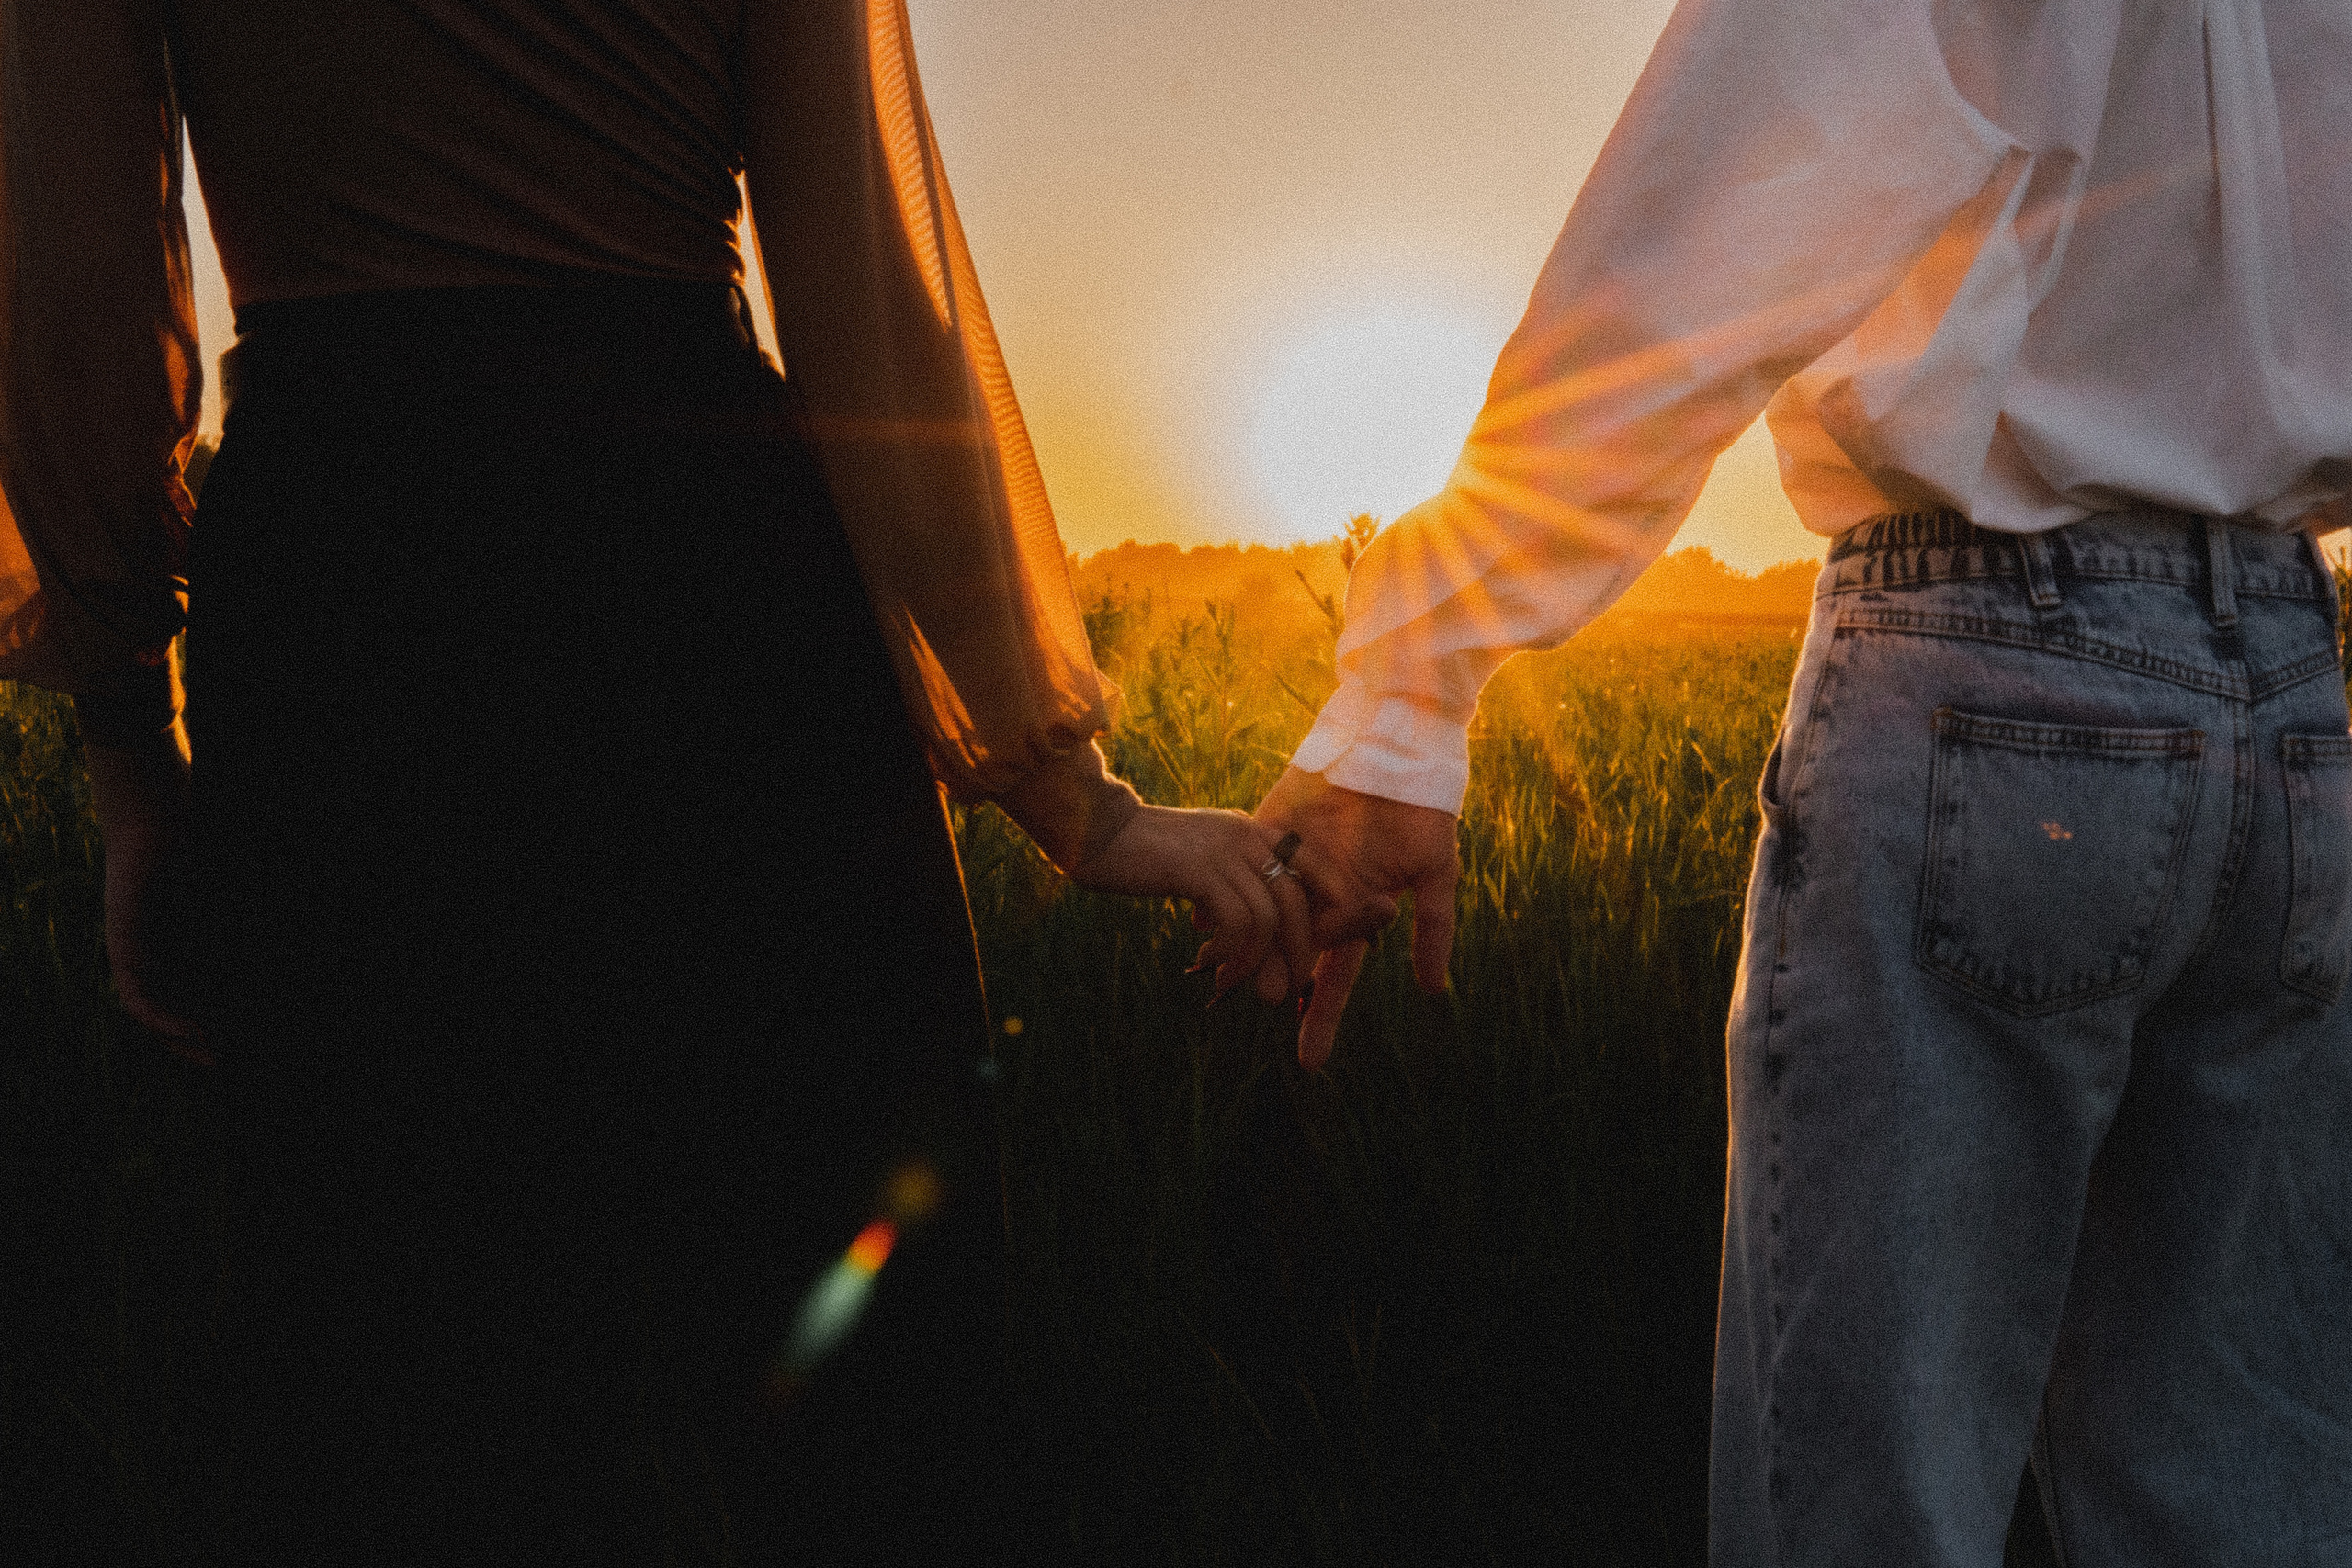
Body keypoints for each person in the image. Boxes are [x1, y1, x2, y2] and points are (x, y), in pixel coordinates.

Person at [0, 3, 1309, 1562]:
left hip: (352, 590)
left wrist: (132, 754)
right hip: (706, 558)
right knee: (869, 1366)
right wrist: (1069, 785)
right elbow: (867, 267)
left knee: (401, 1370)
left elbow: (71, 269)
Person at [1252, 2, 2352, 1562]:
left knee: (1867, 1513)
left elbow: (1718, 217)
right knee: (2244, 1507)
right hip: (2301, 701)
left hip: (1992, 659)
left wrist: (1410, 687)